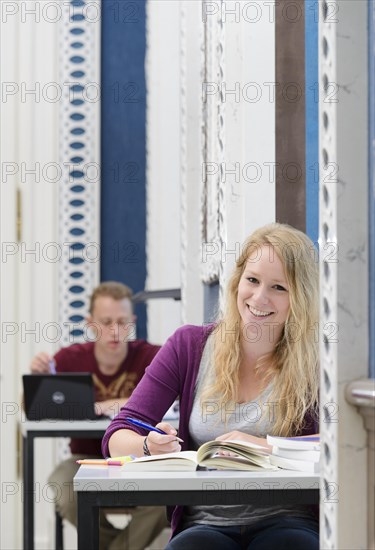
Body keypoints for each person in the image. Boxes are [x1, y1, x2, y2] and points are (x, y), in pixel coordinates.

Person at [102, 224, 320, 550]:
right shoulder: (188, 346)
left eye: (278, 287)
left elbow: (342, 446)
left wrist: (267, 447)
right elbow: (117, 435)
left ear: (300, 297)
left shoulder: (317, 359)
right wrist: (148, 446)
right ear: (237, 282)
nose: (259, 297)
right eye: (252, 280)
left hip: (290, 521)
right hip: (205, 523)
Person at [30, 281, 169, 550]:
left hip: (139, 459)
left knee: (166, 498)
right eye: (106, 322)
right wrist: (39, 380)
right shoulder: (68, 359)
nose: (115, 331)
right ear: (91, 324)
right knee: (62, 486)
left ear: (133, 322)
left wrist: (111, 405)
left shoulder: (153, 356)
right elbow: (33, 408)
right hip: (85, 461)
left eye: (122, 321)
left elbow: (178, 395)